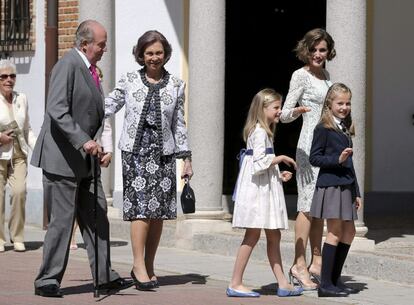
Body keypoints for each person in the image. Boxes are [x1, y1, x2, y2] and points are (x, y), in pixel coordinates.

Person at [31, 20, 129, 298]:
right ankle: (47, 280)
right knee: (62, 222)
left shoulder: (91, 70)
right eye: (101, 44)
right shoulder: (68, 65)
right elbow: (56, 108)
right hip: (61, 160)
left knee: (98, 216)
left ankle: (104, 275)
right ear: (85, 43)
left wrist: (101, 144)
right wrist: (83, 140)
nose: (105, 49)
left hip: (85, 162)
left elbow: (96, 115)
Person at [105, 30, 193, 291]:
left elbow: (179, 123)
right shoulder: (129, 80)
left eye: (159, 53)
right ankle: (137, 265)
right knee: (142, 209)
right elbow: (107, 106)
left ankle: (149, 264)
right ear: (141, 55)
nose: (154, 58)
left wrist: (186, 158)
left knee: (159, 213)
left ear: (165, 54)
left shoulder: (177, 85)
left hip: (164, 154)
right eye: (149, 53)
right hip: (135, 154)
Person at [227, 89, 303, 298]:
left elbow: (260, 163)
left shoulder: (264, 131)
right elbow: (259, 163)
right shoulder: (259, 131)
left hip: (262, 188)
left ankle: (282, 283)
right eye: (276, 108)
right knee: (252, 235)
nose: (279, 111)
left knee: (273, 234)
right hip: (256, 193)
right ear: (263, 109)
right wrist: (280, 159)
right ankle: (235, 282)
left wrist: (278, 176)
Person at [280, 28, 336, 289]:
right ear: (306, 50)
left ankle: (317, 262)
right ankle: (298, 264)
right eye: (313, 50)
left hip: (326, 145)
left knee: (319, 206)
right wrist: (298, 111)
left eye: (322, 50)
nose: (317, 54)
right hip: (307, 145)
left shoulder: (326, 76)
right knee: (305, 205)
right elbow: (283, 114)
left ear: (328, 52)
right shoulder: (299, 75)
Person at [309, 83, 361, 297]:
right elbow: (314, 157)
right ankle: (326, 284)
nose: (344, 107)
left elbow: (350, 164)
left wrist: (356, 191)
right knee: (335, 232)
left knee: (350, 231)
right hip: (331, 185)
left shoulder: (345, 127)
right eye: (340, 103)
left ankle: (335, 279)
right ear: (329, 104)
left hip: (346, 185)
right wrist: (337, 160)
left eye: (348, 103)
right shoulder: (323, 128)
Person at [0, 60, 37, 253]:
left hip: (18, 154)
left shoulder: (21, 98)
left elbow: (26, 128)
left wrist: (38, 148)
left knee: (19, 192)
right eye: (4, 76)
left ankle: (18, 237)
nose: (8, 80)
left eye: (12, 76)